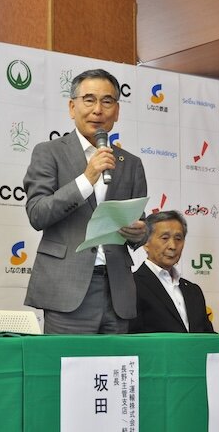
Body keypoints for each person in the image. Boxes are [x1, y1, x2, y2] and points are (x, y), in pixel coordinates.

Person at [23, 69, 148, 334]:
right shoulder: (49, 153)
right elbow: (37, 213)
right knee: (67, 361)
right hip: (66, 289)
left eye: (107, 101)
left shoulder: (130, 163)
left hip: (117, 291)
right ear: (72, 107)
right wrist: (86, 179)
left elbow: (140, 224)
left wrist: (140, 232)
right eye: (89, 100)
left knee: (118, 362)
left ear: (117, 111)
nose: (98, 110)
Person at [130, 211, 215, 333]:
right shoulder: (132, 286)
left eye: (178, 239)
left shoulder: (193, 291)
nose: (173, 246)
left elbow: (208, 336)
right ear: (145, 243)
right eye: (165, 238)